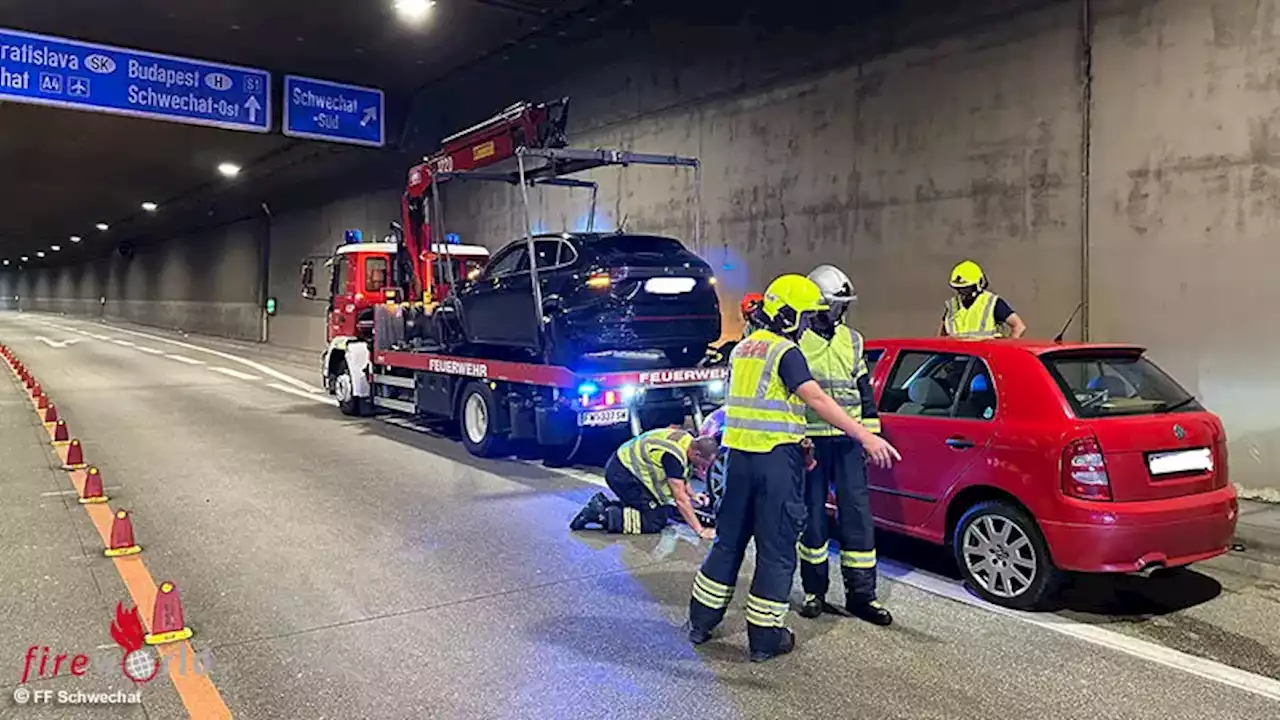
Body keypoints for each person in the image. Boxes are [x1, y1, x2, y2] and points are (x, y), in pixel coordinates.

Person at [687, 274, 901, 663]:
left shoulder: (743, 349)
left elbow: (759, 408)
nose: (806, 325)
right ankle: (766, 638)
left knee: (728, 544)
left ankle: (700, 622)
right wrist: (866, 436)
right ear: (787, 315)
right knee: (776, 549)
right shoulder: (785, 352)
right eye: (804, 317)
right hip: (773, 465)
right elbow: (814, 397)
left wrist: (800, 440)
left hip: (737, 462)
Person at [795, 264, 891, 626]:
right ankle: (814, 592)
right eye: (837, 305)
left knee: (857, 517)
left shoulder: (853, 339)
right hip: (812, 442)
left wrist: (871, 435)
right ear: (819, 305)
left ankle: (862, 596)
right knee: (813, 519)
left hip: (849, 443)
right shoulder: (797, 341)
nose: (841, 311)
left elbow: (864, 392)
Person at [570, 427, 720, 539]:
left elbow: (681, 474)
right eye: (703, 464)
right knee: (654, 521)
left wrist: (693, 495)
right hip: (622, 475)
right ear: (697, 453)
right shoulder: (673, 457)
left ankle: (605, 504)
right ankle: (600, 514)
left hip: (623, 465)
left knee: (663, 510)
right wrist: (700, 531)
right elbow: (680, 500)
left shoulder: (687, 440)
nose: (703, 469)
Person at [938, 260, 1026, 339]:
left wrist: (1006, 350)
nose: (962, 291)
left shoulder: (991, 302)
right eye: (959, 288)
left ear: (977, 285)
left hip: (984, 355)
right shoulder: (952, 305)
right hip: (958, 354)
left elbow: (1019, 326)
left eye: (966, 288)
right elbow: (941, 335)